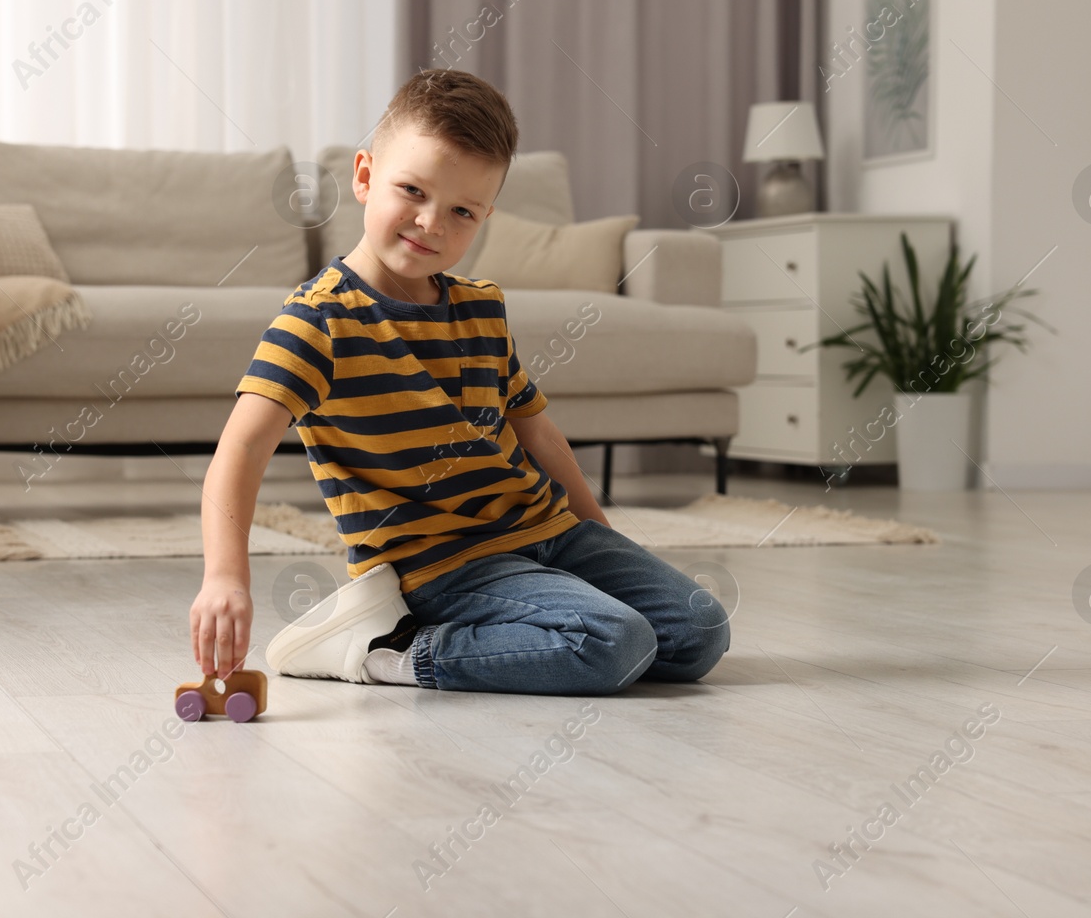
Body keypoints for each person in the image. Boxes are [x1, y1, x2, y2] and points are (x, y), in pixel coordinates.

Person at [189, 68, 729, 695]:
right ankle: (388, 651)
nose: (430, 223)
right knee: (613, 641)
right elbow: (241, 449)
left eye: (462, 211)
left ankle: (545, 633)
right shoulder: (318, 321)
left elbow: (539, 436)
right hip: (444, 565)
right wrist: (225, 576)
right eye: (412, 191)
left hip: (549, 531)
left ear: (485, 217)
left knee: (700, 631)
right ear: (364, 177)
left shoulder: (482, 307)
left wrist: (598, 541)